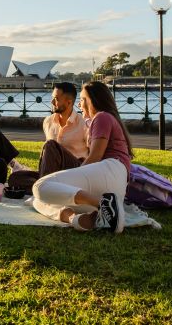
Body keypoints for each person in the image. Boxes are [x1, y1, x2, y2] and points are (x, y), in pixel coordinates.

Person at [32, 81, 132, 233]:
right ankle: (77, 219)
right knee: (39, 200)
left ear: (92, 101)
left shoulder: (102, 117)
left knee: (39, 187)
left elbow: (95, 156)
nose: (79, 104)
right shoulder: (103, 119)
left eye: (82, 99)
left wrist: (73, 174)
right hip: (112, 185)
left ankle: (102, 204)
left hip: (109, 172)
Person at [39, 81, 89, 177]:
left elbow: (94, 154)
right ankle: (45, 183)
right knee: (16, 178)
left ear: (69, 102)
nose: (52, 102)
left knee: (50, 144)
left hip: (76, 171)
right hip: (53, 172)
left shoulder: (83, 124)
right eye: (52, 98)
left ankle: (43, 185)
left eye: (56, 99)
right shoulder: (48, 121)